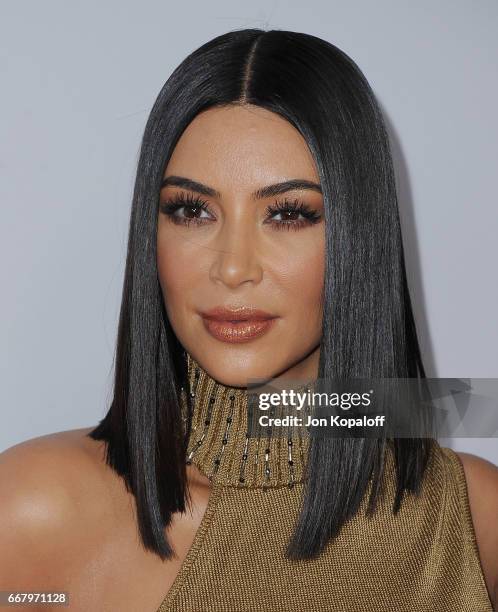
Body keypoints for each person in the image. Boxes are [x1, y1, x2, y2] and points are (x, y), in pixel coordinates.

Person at [1, 28, 497, 612]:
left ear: (360, 237)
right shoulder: (32, 508)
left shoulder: (472, 512)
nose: (233, 268)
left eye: (288, 214)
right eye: (192, 210)